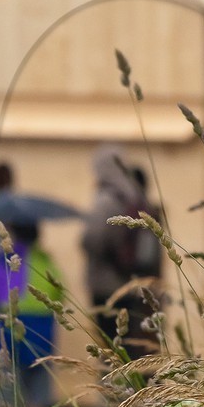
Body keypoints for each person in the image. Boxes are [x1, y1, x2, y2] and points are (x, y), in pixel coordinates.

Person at [81, 145, 163, 355]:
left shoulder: (108, 199)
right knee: (131, 344)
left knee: (111, 346)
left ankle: (116, 385)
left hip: (108, 286)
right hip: (135, 284)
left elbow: (92, 238)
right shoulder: (136, 196)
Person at [0, 219, 63, 407]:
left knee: (6, 385)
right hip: (42, 328)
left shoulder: (5, 260)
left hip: (9, 324)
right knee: (38, 385)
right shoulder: (45, 259)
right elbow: (60, 293)